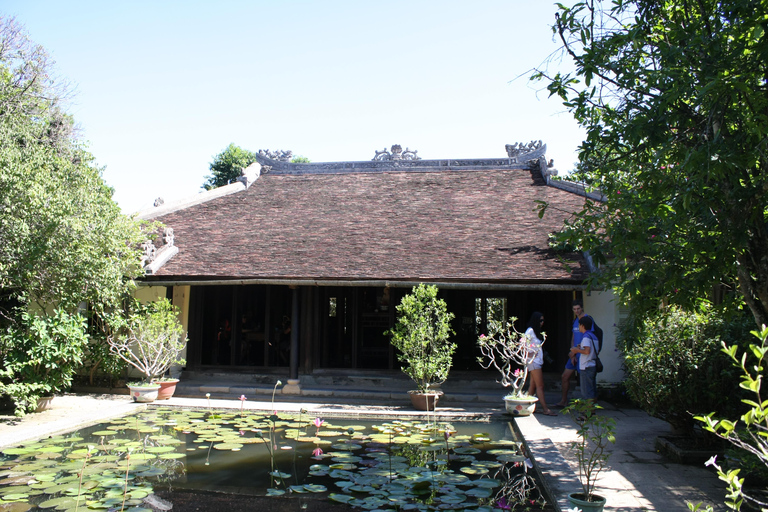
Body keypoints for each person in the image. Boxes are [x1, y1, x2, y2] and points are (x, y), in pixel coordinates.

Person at [555, 300, 593, 407]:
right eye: (574, 309)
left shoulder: (588, 320)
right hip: (574, 354)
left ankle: (589, 406)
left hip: (583, 354)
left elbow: (589, 336)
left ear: (582, 308)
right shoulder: (575, 321)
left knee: (585, 382)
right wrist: (572, 351)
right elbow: (573, 337)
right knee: (565, 376)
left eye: (578, 309)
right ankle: (564, 400)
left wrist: (576, 350)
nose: (576, 311)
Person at [525, 312, 556, 416]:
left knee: (533, 385)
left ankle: (527, 406)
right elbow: (522, 344)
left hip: (537, 361)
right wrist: (530, 354)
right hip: (534, 362)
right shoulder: (530, 331)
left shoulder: (536, 332)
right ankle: (545, 409)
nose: (542, 323)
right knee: (540, 386)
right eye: (540, 321)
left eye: (543, 320)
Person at [569, 315, 598, 400]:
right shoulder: (593, 336)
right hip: (592, 364)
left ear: (582, 326)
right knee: (592, 390)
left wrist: (576, 350)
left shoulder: (586, 337)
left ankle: (588, 411)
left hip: (586, 366)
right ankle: (591, 410)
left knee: (586, 392)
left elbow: (587, 351)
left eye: (579, 325)